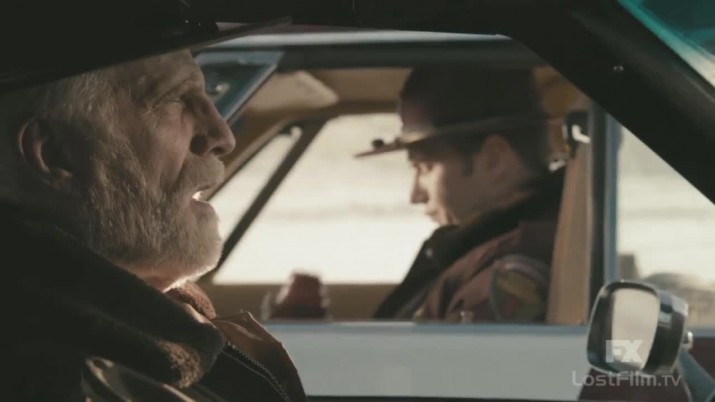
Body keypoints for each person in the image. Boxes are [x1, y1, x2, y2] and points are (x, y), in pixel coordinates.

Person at [1, 50, 307, 401]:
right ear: (55, 153)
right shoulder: (57, 377)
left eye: (206, 96)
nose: (223, 136)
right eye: (173, 100)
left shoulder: (172, 331)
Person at [355, 65, 565, 322]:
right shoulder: (480, 251)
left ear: (494, 160)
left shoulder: (510, 268)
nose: (416, 196)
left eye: (425, 167)